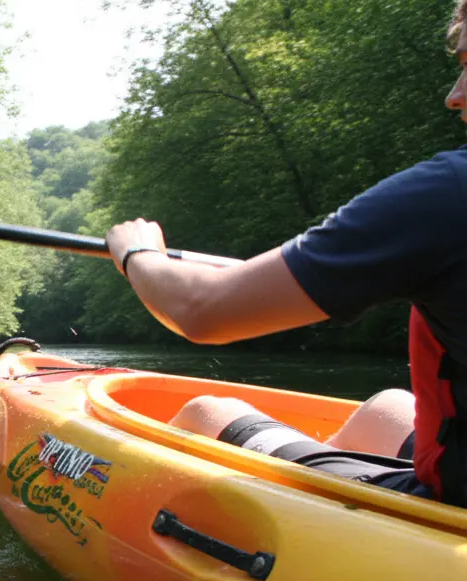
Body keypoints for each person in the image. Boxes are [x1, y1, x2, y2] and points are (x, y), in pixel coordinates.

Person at [105, 1, 467, 505]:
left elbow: (200, 312)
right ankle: (334, 487)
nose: (454, 97)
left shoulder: (446, 195)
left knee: (207, 412)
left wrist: (138, 255)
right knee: (386, 407)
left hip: (454, 500)